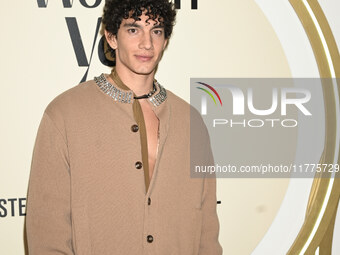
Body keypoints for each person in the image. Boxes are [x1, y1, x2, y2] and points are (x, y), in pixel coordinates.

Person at [26, 0, 223, 254]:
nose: (147, 43)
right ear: (111, 36)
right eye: (133, 29)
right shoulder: (64, 115)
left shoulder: (191, 121)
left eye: (156, 31)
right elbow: (47, 235)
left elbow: (207, 229)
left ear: (165, 40)